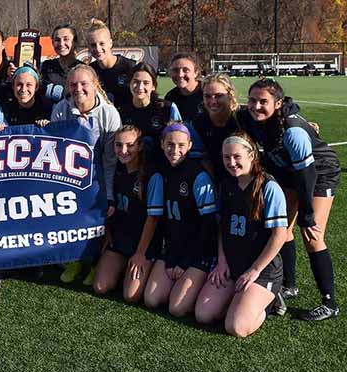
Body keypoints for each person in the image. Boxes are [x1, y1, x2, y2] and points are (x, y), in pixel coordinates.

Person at [241, 78, 341, 321]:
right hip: (289, 171)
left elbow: (308, 175)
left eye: (263, 101)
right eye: (252, 100)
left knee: (313, 236)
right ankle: (289, 285)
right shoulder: (251, 118)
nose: (256, 106)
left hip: (319, 172)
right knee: (281, 229)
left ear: (278, 103)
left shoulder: (293, 131)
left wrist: (306, 213)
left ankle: (329, 303)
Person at [195, 133, 288, 337]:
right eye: (226, 157)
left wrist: (254, 270)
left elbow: (280, 235)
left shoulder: (269, 187)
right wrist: (221, 262)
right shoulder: (227, 185)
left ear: (252, 155)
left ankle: (271, 299)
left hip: (261, 270)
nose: (231, 162)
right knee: (203, 315)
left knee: (236, 327)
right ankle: (240, 300)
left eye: (237, 156)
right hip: (232, 264)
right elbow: (222, 228)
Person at [50, 64, 121, 284]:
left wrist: (108, 193)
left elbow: (111, 159)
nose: (78, 88)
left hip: (99, 172)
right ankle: (74, 259)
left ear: (95, 85)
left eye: (84, 84)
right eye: (73, 84)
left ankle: (94, 262)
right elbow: (55, 149)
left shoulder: (109, 113)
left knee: (98, 216)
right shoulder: (61, 109)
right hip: (69, 174)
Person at [142, 123, 217, 317]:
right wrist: (169, 258)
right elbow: (160, 221)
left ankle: (202, 287)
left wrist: (184, 263)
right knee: (151, 299)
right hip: (173, 248)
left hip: (198, 251)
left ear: (190, 145)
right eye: (170, 144)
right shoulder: (162, 172)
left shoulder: (198, 176)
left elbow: (208, 226)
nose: (175, 150)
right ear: (161, 144)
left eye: (181, 145)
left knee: (176, 308)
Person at [93, 125, 163, 303]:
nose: (123, 151)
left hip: (143, 244)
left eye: (129, 145)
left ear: (139, 146)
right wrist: (108, 234)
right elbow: (109, 206)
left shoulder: (152, 175)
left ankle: (148, 265)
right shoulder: (114, 170)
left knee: (130, 296)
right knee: (100, 287)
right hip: (120, 239)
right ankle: (121, 268)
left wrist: (140, 253)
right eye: (118, 145)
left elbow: (153, 219)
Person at [117, 63, 182, 160]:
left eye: (146, 83)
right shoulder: (121, 111)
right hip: (130, 165)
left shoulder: (167, 108)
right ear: (129, 83)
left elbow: (180, 139)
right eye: (136, 82)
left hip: (162, 165)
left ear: (153, 86)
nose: (140, 87)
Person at [192, 73, 244, 184]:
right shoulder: (199, 123)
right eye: (207, 96)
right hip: (213, 182)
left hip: (242, 181)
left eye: (219, 95)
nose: (213, 101)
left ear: (230, 95)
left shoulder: (242, 120)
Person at [86, 19, 135, 109]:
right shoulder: (90, 71)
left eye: (102, 43)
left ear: (110, 43)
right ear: (88, 47)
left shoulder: (130, 67)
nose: (98, 48)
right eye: (93, 45)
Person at [41, 24, 83, 103]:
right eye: (57, 40)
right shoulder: (45, 66)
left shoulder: (83, 69)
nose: (61, 44)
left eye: (66, 39)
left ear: (75, 42)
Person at [165, 53, 203, 124]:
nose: (180, 75)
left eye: (186, 70)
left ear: (196, 72)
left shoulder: (208, 92)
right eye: (175, 70)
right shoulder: (170, 97)